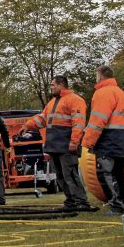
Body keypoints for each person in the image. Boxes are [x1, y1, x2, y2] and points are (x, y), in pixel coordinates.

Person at [25, 76, 92, 211]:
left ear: (61, 84)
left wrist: (74, 141)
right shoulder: (52, 102)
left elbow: (78, 123)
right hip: (55, 145)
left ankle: (81, 202)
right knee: (61, 176)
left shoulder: (75, 100)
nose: (51, 87)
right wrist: (28, 125)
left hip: (67, 145)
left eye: (53, 85)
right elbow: (42, 119)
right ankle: (71, 201)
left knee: (70, 174)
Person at [82, 65, 124, 215]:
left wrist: (88, 141)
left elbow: (98, 120)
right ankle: (122, 204)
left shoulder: (103, 93)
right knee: (118, 174)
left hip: (108, 140)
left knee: (104, 173)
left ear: (100, 76)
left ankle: (117, 207)